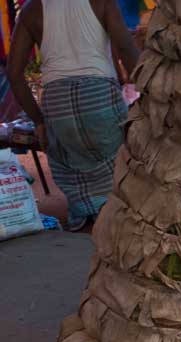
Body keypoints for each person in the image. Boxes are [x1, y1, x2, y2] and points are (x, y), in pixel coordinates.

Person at [7, 0, 138, 231]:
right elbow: (126, 49)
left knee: (70, 165)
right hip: (99, 95)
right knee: (115, 160)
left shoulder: (31, 9)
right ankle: (113, 217)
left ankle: (84, 220)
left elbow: (14, 74)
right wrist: (146, 93)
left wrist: (38, 120)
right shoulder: (102, 2)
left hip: (57, 103)